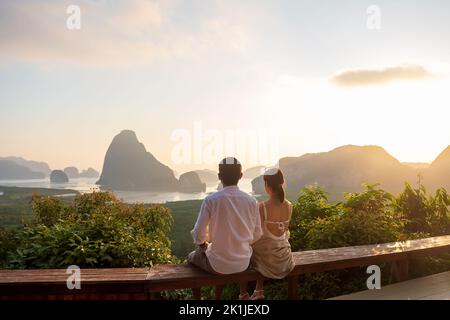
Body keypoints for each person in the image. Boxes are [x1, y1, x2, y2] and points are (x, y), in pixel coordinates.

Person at [187, 157, 262, 278]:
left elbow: (199, 232)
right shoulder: (252, 201)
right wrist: (241, 243)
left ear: (219, 176)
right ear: (241, 175)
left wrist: (203, 245)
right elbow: (257, 233)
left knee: (191, 256)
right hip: (243, 263)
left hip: (217, 265)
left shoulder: (211, 200)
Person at [240, 168, 295, 300]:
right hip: (284, 259)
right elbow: (284, 233)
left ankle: (243, 294)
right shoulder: (289, 206)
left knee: (245, 250)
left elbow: (255, 235)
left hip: (269, 260)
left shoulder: (262, 207)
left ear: (267, 186)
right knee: (267, 245)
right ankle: (259, 289)